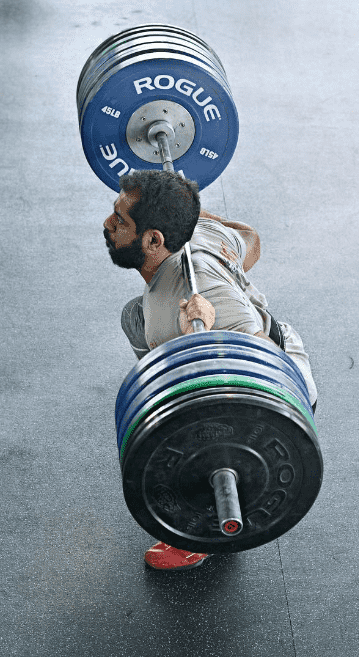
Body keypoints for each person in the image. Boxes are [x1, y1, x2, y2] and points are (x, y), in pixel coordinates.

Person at [102, 170, 318, 571]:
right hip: (236, 331)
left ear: (153, 240)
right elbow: (249, 240)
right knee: (135, 317)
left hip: (281, 389)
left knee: (203, 412)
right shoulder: (196, 233)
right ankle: (170, 387)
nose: (108, 223)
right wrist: (197, 214)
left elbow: (268, 366)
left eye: (120, 220)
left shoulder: (198, 294)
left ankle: (202, 535)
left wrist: (202, 346)